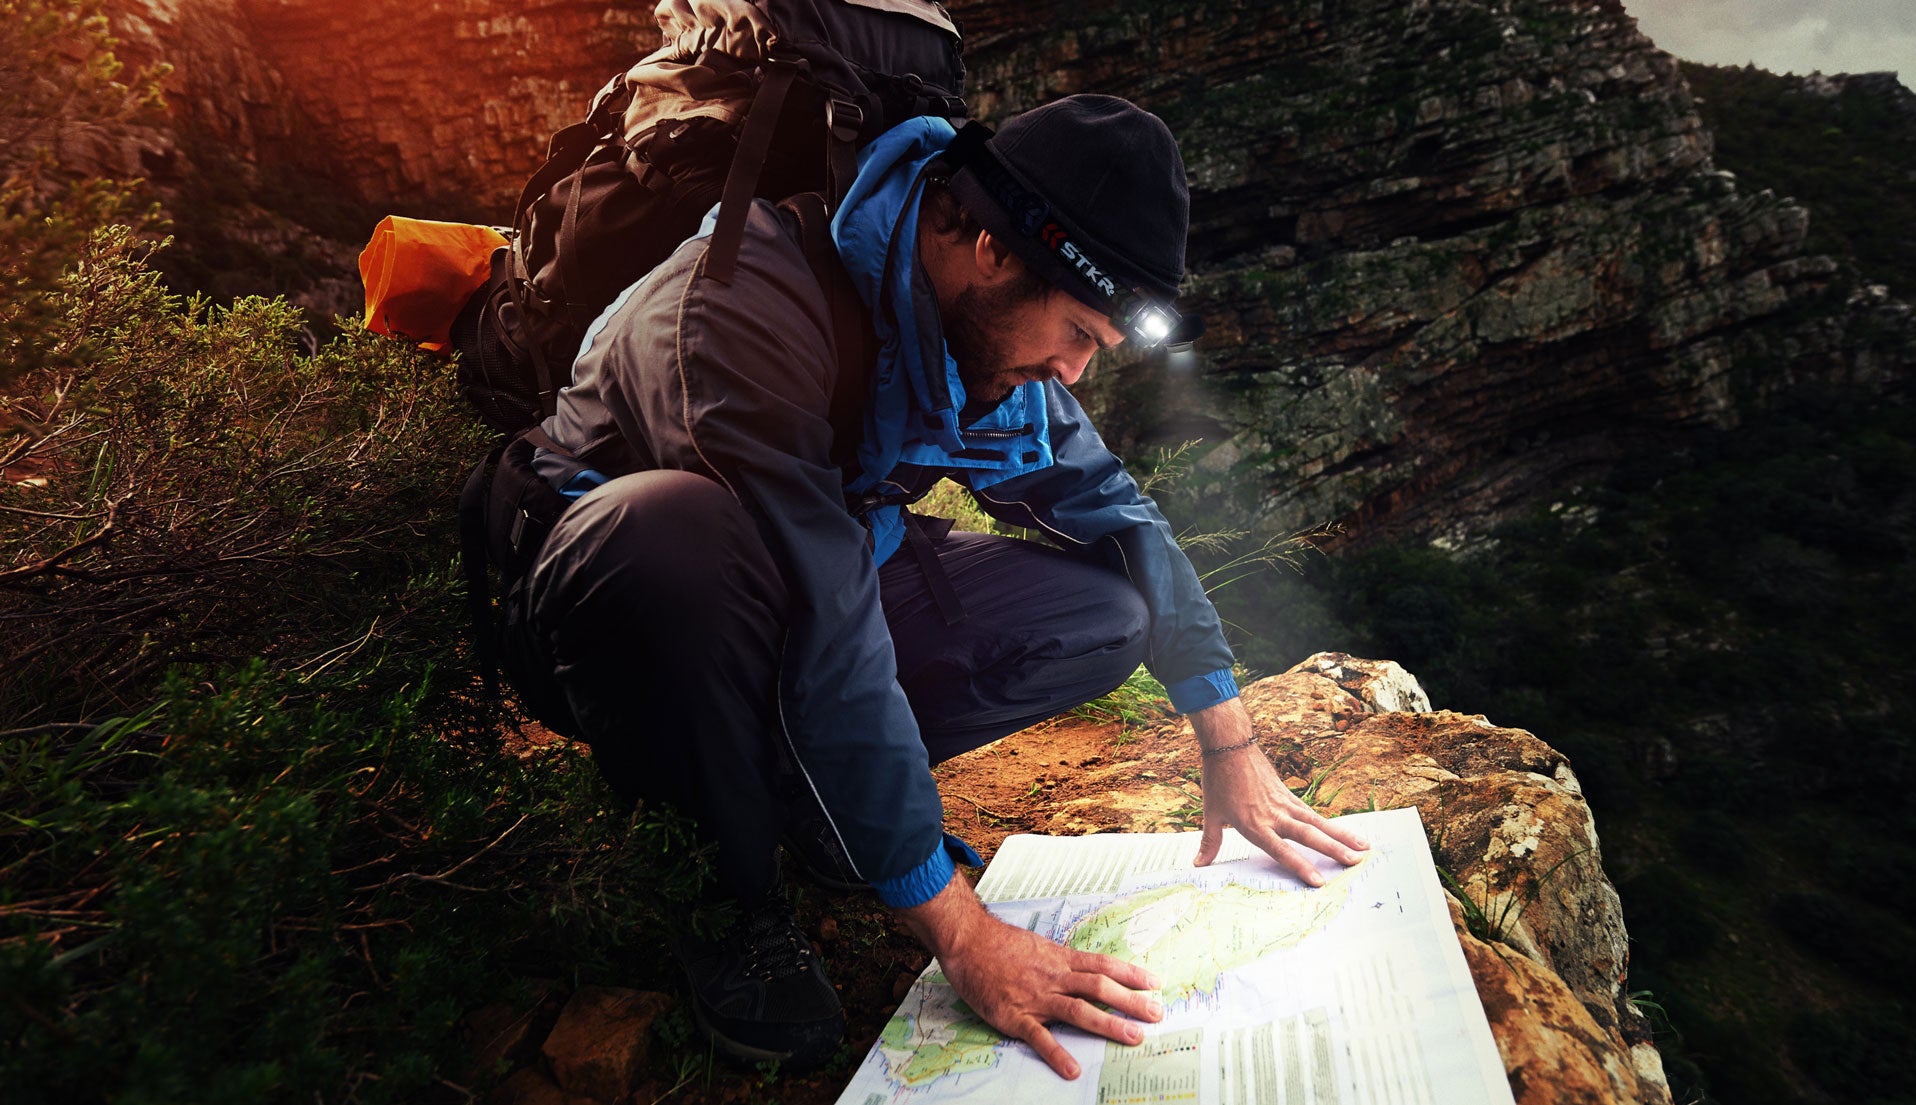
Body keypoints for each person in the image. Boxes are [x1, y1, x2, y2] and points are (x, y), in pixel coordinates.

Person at [502, 95, 1371, 1076]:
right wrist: (960, 929)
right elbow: (830, 626)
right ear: (995, 251)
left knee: (1103, 613)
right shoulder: (739, 314)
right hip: (608, 600)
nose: (1073, 372)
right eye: (1077, 332)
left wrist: (1228, 739)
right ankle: (729, 898)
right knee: (673, 536)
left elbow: (1113, 508)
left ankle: (812, 804)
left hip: (811, 573)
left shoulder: (971, 334)